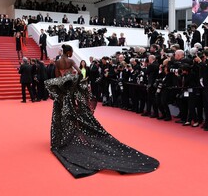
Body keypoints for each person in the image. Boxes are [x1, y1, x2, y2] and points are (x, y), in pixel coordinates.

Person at [44, 44, 159, 178]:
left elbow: (58, 79)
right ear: (69, 52)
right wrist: (75, 79)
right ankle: (75, 134)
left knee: (62, 115)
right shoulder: (71, 61)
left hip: (62, 93)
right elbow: (80, 73)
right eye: (71, 52)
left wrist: (64, 84)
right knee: (78, 114)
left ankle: (63, 138)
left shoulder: (58, 62)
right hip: (73, 92)